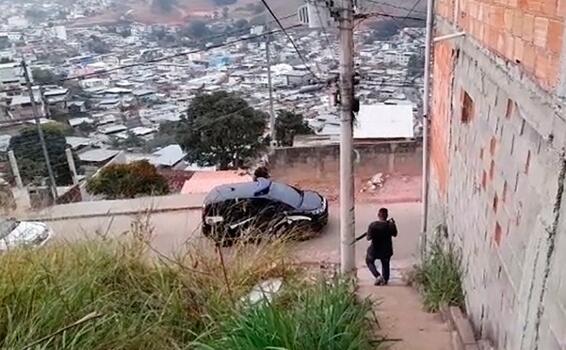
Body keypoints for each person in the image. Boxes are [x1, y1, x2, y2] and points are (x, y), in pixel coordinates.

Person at [364, 208, 398, 286]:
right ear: (387, 216)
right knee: (385, 263)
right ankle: (385, 279)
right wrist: (393, 224)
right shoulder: (390, 225)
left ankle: (378, 276)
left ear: (378, 215)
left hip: (374, 250)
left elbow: (368, 238)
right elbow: (395, 234)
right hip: (386, 251)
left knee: (369, 261)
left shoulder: (373, 225)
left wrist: (370, 232)